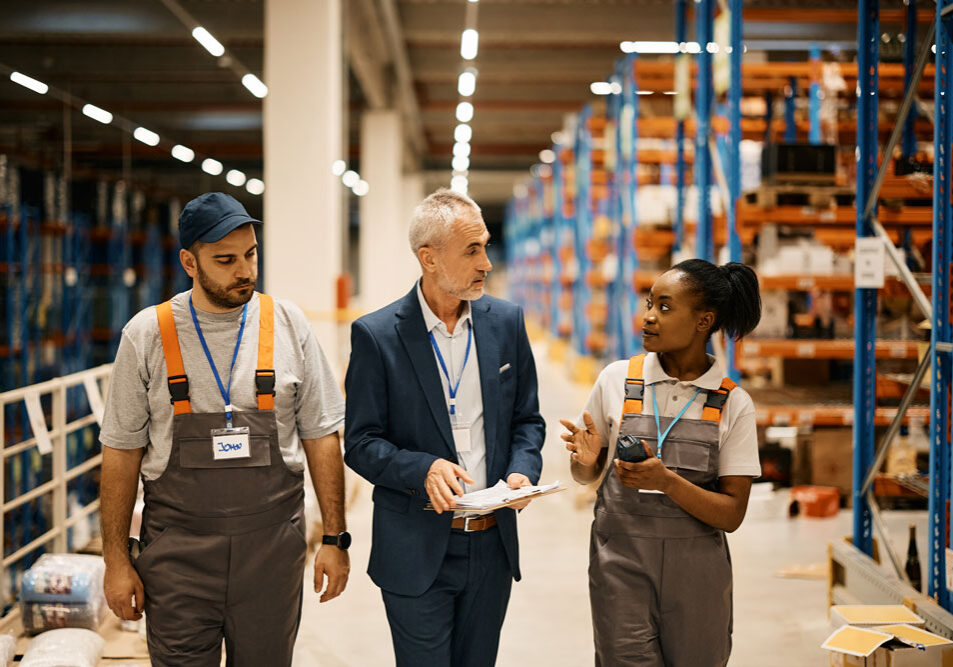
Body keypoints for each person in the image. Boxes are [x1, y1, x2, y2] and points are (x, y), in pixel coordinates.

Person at [99, 192, 350, 667]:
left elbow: (321, 436)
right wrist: (116, 561)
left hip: (271, 555)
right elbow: (121, 453)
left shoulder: (288, 325)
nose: (246, 271)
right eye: (226, 260)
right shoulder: (147, 335)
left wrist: (335, 540)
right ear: (189, 262)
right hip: (177, 559)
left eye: (251, 254)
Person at [344, 189, 546, 667]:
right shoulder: (377, 336)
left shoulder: (507, 324)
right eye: (472, 250)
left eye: (486, 246)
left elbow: (527, 420)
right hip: (417, 546)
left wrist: (522, 470)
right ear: (429, 258)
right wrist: (422, 468)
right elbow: (360, 442)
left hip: (492, 542)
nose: (487, 264)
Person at [561, 259, 763, 667]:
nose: (649, 317)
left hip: (698, 578)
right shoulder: (616, 380)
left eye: (665, 307)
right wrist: (585, 462)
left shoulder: (732, 404)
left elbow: (731, 513)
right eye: (649, 303)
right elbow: (586, 474)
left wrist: (666, 481)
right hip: (620, 564)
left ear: (704, 320)